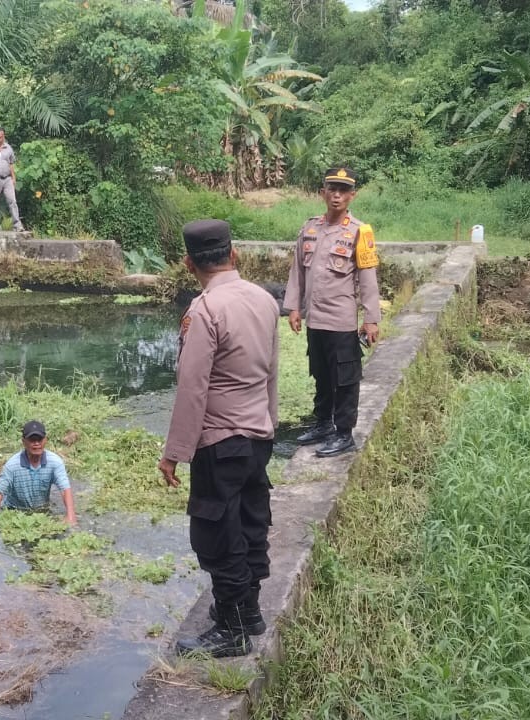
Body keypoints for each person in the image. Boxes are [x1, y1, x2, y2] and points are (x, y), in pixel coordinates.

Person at [158, 219, 280, 658]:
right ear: (235, 255)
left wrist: (175, 453)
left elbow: (193, 388)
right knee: (250, 523)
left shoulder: (205, 311)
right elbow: (271, 373)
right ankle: (249, 612)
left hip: (219, 441)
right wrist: (270, 423)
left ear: (189, 263)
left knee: (217, 532)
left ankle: (233, 629)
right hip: (258, 435)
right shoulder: (265, 300)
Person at [282, 166, 381, 459]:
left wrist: (371, 319)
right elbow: (297, 271)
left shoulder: (359, 232)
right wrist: (294, 308)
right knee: (321, 373)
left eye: (343, 191)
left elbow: (368, 278)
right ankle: (323, 423)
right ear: (323, 193)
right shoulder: (310, 228)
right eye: (331, 189)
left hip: (341, 320)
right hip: (316, 319)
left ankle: (344, 434)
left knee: (345, 378)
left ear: (352, 195)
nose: (336, 196)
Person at [0, 420, 76, 527]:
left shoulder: (55, 462)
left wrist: (71, 517)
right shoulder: (12, 465)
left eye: (39, 439)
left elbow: (65, 489)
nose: (36, 443)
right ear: (24, 442)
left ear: (45, 440)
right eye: (32, 440)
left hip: (42, 511)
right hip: (14, 511)